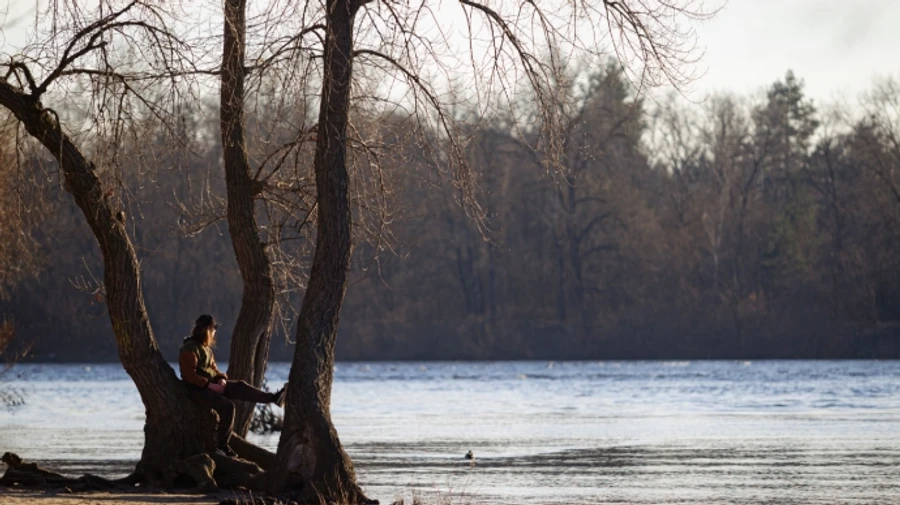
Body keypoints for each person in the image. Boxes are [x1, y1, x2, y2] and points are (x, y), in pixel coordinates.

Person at [179, 314, 286, 457]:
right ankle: (221, 446)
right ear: (207, 329)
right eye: (214, 328)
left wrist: (221, 378)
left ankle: (274, 398)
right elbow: (189, 375)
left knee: (240, 386)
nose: (215, 332)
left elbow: (214, 369)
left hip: (211, 385)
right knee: (227, 407)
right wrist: (209, 386)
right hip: (196, 390)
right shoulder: (189, 348)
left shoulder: (206, 349)